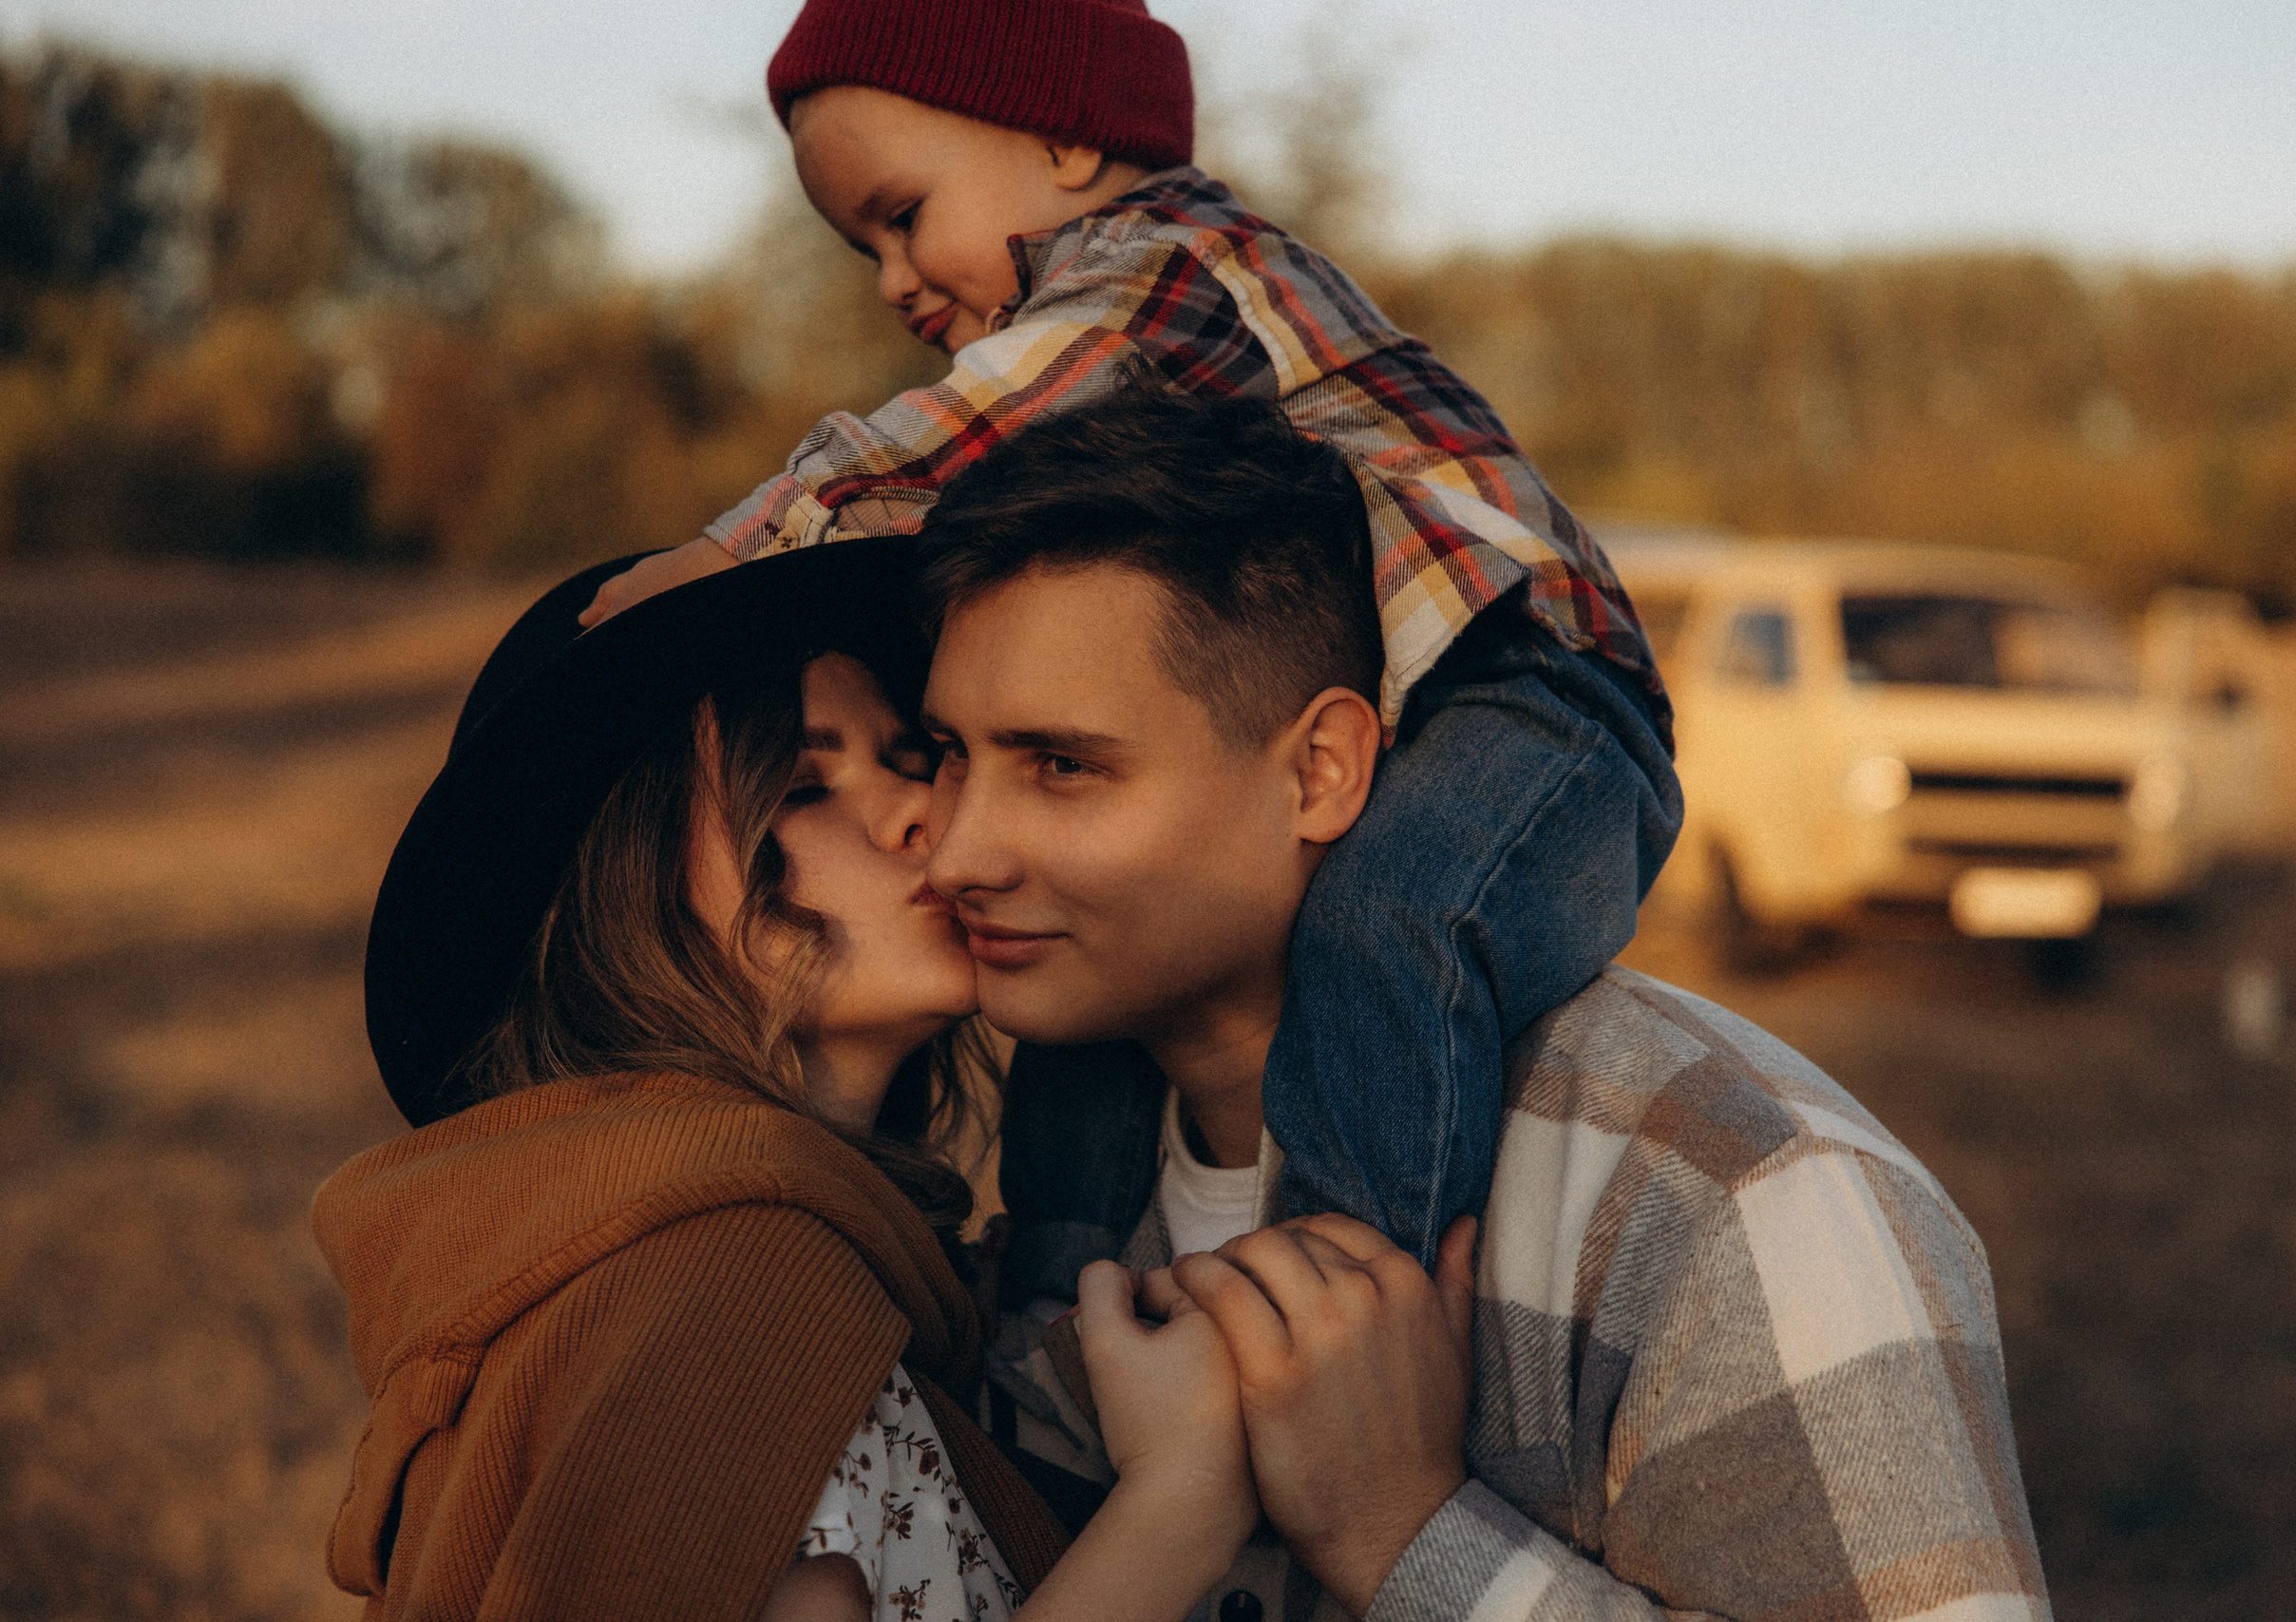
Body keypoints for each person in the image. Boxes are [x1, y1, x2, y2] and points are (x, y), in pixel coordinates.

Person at [578, 0, 1683, 1270]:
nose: (892, 278)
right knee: (1083, 972)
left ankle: (1344, 1286)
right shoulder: (1122, 307)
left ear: (1061, 140)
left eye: (901, 212)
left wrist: (740, 545)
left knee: (1394, 923)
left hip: (1536, 683)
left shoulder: (1173, 261)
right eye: (861, 247)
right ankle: (1060, 1280)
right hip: (1406, 686)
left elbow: (974, 420)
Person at [916, 388, 2053, 1622]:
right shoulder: (1043, 1198)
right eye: (947, 755)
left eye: (1064, 765)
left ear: (1320, 770)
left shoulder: (1719, 1189)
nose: (957, 851)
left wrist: (1405, 1533)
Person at [313, 542, 1259, 1621]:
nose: (922, 815)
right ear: (628, 882)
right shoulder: (731, 1283)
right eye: (806, 787)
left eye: (913, 758)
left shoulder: (733, 1244)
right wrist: (1184, 1501)